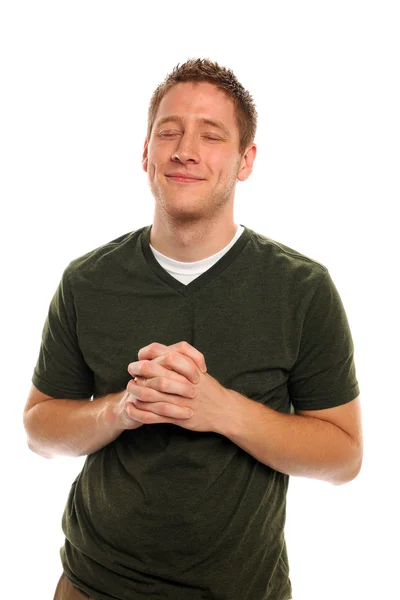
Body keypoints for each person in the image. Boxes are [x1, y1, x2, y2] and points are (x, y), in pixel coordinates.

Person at [23, 58, 363, 600]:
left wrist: (222, 410)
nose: (185, 149)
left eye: (211, 136)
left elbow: (344, 456)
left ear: (245, 160)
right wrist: (120, 409)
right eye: (169, 132)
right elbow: (39, 428)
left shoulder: (302, 289)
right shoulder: (86, 280)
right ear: (146, 153)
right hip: (92, 586)